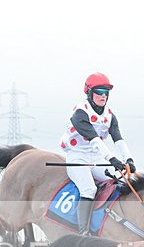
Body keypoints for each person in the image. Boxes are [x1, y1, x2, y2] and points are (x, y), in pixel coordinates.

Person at [58, 72, 136, 235]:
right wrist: (112, 159)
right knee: (89, 190)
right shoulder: (80, 113)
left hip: (96, 157)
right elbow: (94, 139)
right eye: (99, 92)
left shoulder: (110, 115)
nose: (103, 96)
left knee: (121, 181)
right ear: (88, 92)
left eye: (106, 92)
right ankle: (83, 233)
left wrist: (128, 159)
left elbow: (118, 138)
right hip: (77, 156)